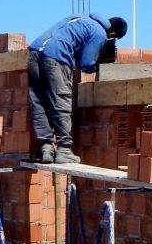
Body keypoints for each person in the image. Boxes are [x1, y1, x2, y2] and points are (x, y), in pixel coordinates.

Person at [28, 13, 127, 163]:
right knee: (61, 102)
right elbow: (87, 63)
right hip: (56, 57)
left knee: (40, 102)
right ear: (112, 34)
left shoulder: (79, 18)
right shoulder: (100, 32)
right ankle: (64, 149)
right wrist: (95, 67)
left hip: (34, 53)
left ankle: (46, 148)